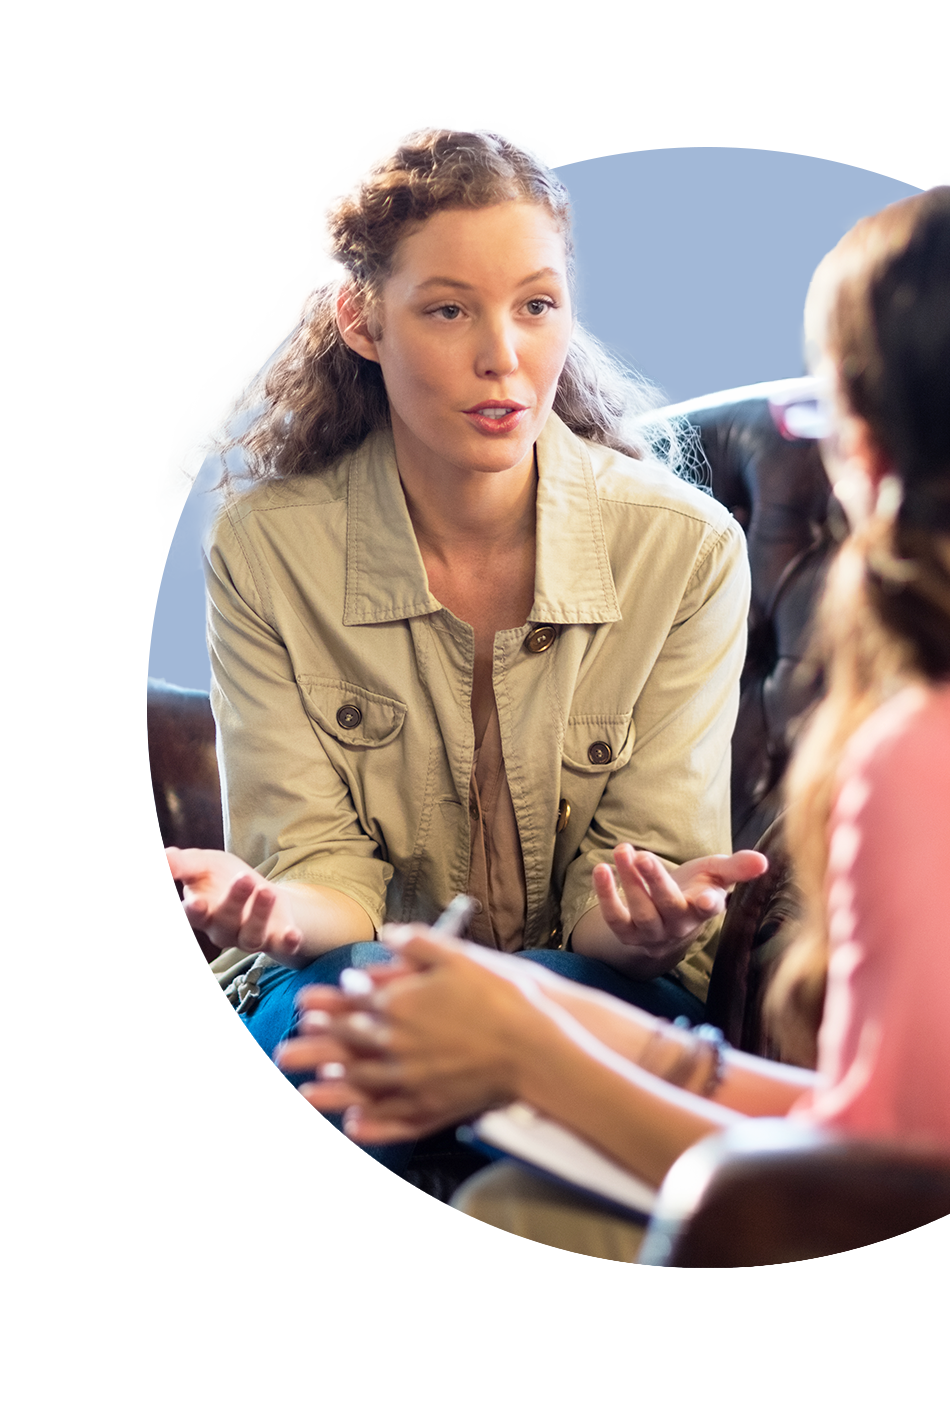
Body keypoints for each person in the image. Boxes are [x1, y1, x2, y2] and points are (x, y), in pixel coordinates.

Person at [275, 175, 950, 1260]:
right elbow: (889, 1124)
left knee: (510, 1210)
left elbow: (871, 1187)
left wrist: (531, 1059)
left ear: (860, 443)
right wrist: (539, 1014)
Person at [163, 128, 768, 1093]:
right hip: (348, 972)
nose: (503, 357)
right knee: (365, 1009)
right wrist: (274, 912)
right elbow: (321, 875)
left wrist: (649, 921)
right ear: (361, 320)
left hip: (596, 984)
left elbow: (618, 911)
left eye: (537, 306)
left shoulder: (685, 550)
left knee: (521, 1029)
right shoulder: (266, 547)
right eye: (448, 310)